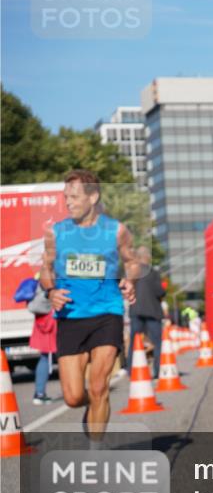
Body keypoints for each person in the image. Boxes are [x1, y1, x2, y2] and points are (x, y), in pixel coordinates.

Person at [40, 170, 138, 440]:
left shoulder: (116, 230)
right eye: (65, 197)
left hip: (107, 313)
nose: (67, 202)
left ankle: (96, 453)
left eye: (73, 197)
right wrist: (50, 291)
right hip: (71, 316)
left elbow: (130, 261)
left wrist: (130, 281)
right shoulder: (56, 232)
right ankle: (93, 408)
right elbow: (45, 270)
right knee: (73, 397)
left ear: (93, 197)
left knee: (98, 387)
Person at [129, 246, 165, 379]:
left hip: (135, 311)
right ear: (147, 257)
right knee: (157, 343)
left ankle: (131, 371)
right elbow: (159, 292)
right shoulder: (152, 272)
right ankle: (158, 370)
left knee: (135, 342)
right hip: (152, 312)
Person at [26, 275, 57, 405]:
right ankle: (75, 392)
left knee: (44, 357)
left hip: (42, 320)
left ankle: (39, 393)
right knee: (68, 355)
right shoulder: (54, 274)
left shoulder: (39, 276)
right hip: (53, 320)